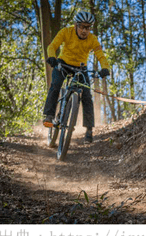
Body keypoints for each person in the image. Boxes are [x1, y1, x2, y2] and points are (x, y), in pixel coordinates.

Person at [43, 11, 110, 143]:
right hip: (62, 64)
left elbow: (101, 55)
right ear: (75, 25)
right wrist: (52, 57)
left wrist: (105, 68)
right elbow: (52, 46)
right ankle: (49, 115)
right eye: (82, 26)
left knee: (86, 97)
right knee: (55, 85)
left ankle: (89, 130)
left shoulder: (93, 39)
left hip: (80, 68)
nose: (85, 30)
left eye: (88, 27)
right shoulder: (66, 32)